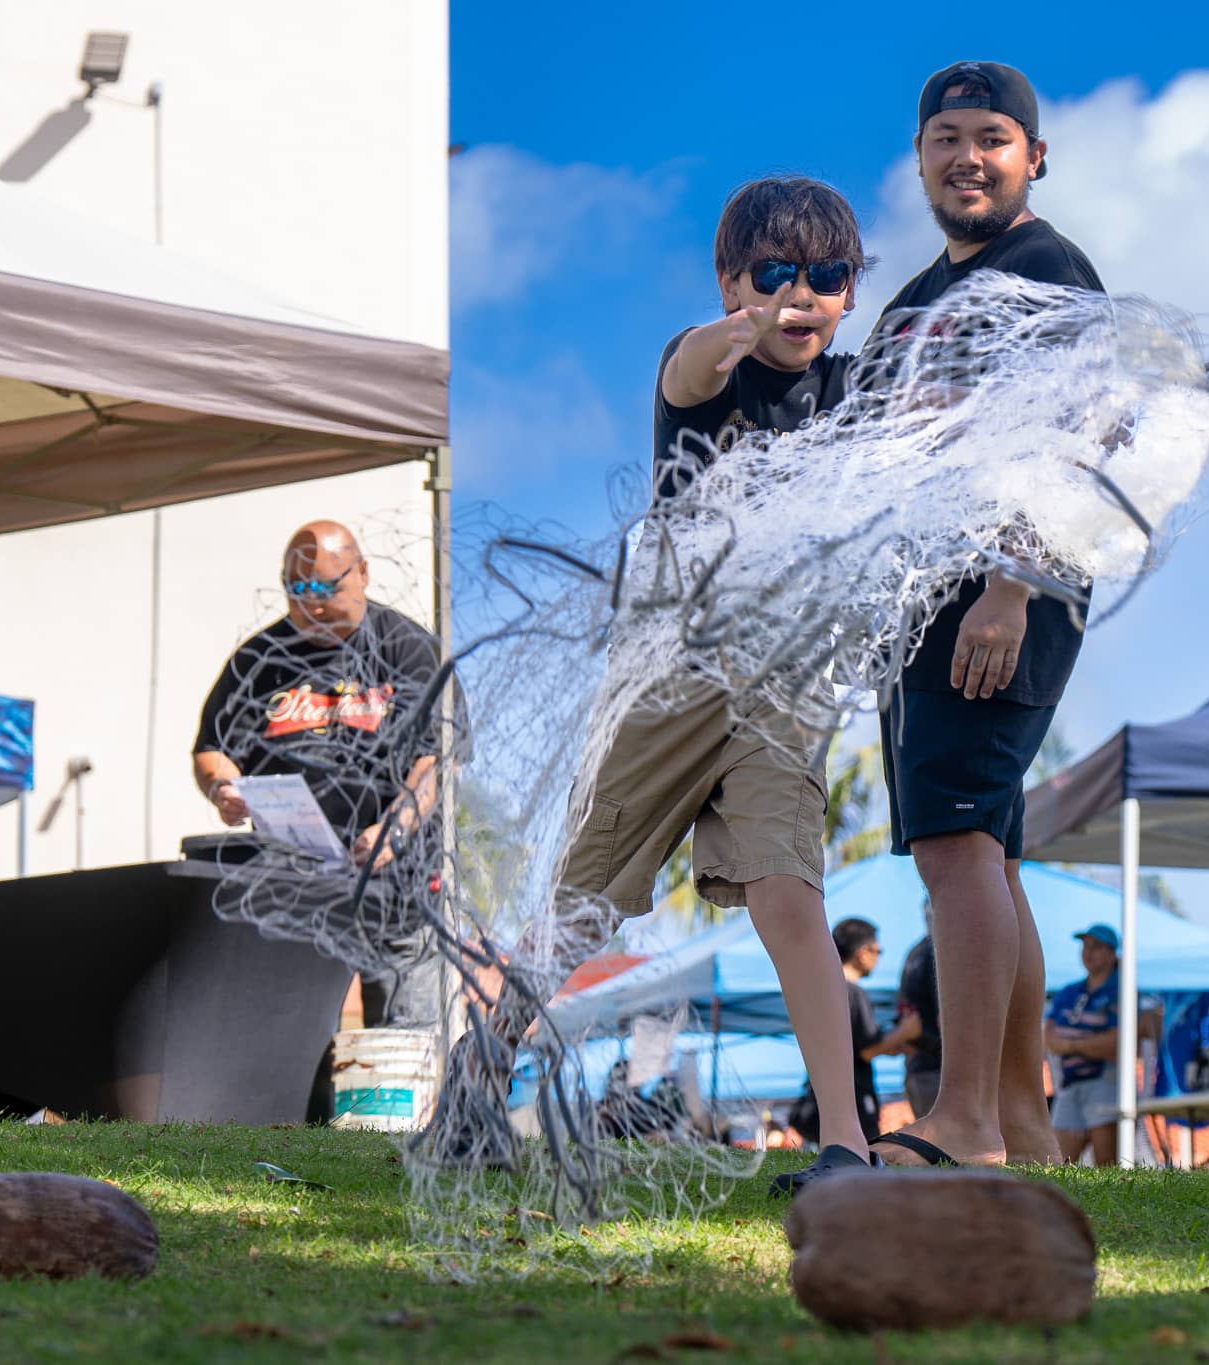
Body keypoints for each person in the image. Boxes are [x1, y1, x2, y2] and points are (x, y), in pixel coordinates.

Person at [445, 178, 881, 1196]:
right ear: (731, 284)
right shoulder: (703, 372)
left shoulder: (858, 391)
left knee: (788, 891)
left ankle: (846, 1145)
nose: (800, 297)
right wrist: (728, 331)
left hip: (786, 682)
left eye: (826, 276)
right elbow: (689, 368)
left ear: (852, 289)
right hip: (672, 674)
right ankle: (480, 1072)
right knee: (587, 902)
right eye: (773, 274)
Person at [864, 60, 1106, 1172]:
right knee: (988, 858)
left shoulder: (1046, 266)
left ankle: (960, 1119)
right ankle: (1021, 1126)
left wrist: (1009, 584)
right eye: (946, 136)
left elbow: (1084, 426)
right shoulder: (911, 301)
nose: (968, 155)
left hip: (1002, 589)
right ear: (918, 159)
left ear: (1033, 158)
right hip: (919, 602)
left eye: (993, 137)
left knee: (954, 846)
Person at [193, 520, 459, 1028]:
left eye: (322, 588)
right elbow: (211, 749)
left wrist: (395, 829)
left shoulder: (409, 650)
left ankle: (404, 1112)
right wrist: (222, 787)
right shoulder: (259, 660)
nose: (308, 604)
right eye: (295, 590)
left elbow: (437, 761)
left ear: (362, 573)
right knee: (292, 1033)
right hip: (294, 891)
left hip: (395, 889)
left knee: (404, 1040)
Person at [793, 918, 917, 1145]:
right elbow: (867, 1049)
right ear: (863, 952)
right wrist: (906, 1031)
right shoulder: (853, 993)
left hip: (823, 1090)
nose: (879, 958)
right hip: (855, 1094)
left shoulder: (825, 990)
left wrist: (890, 1045)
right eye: (878, 951)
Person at [1045, 924, 1140, 1166]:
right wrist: (1089, 1043)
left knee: (1107, 1167)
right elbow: (1049, 1037)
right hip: (1069, 1085)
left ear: (1111, 953)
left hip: (1106, 1082)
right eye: (1085, 946)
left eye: (1096, 947)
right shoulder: (1069, 991)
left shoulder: (1122, 989)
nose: (1088, 953)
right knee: (1059, 1166)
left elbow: (1120, 1041)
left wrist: (1069, 1044)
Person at [895, 907, 943, 1118]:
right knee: (947, 1146)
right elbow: (948, 1019)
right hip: (936, 1071)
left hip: (921, 1068)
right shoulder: (937, 953)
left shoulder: (916, 953)